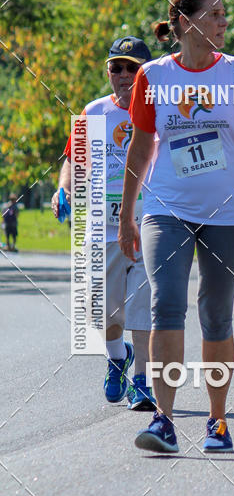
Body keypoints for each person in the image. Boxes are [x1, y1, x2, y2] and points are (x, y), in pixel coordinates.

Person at [119, 0, 234, 454]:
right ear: (185, 23)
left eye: (224, 14)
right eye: (214, 15)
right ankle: (164, 420)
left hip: (230, 211)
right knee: (166, 305)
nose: (224, 22)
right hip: (167, 207)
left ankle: (218, 420)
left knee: (215, 312)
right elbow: (141, 148)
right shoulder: (153, 76)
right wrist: (128, 213)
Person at [52, 37, 155, 411]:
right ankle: (118, 357)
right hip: (103, 229)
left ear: (146, 72)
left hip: (148, 225)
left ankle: (142, 383)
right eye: (117, 67)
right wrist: (64, 189)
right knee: (103, 314)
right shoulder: (94, 112)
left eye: (133, 68)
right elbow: (73, 161)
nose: (124, 75)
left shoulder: (160, 110)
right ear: (109, 72)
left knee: (143, 308)